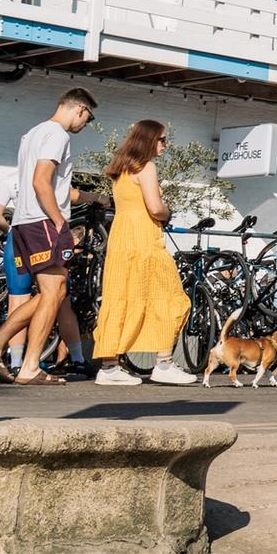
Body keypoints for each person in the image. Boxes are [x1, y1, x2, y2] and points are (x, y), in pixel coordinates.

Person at [91, 120, 195, 387]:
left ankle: (109, 365)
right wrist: (167, 210)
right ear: (149, 140)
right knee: (168, 297)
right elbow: (155, 208)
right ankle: (163, 362)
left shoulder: (121, 170)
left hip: (122, 238)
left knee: (122, 297)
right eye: (162, 139)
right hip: (143, 239)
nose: (165, 145)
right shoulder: (146, 167)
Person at [7, 88, 98, 385]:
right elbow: (40, 181)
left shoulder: (32, 133)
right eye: (88, 118)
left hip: (24, 222)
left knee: (51, 294)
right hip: (43, 221)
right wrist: (60, 224)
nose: (85, 124)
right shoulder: (58, 135)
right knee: (56, 292)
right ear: (80, 109)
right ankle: (30, 366)